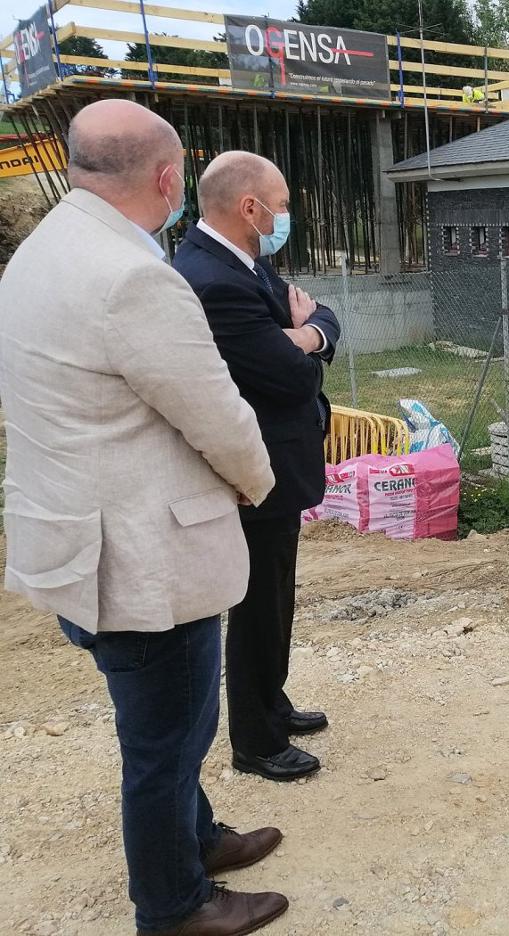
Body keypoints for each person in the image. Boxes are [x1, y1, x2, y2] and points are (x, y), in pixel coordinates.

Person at [0, 100, 287, 934]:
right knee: (166, 743)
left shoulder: (39, 254)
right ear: (168, 179)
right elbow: (219, 417)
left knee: (162, 727)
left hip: (74, 541)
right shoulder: (131, 277)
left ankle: (197, 841)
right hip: (142, 557)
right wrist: (256, 483)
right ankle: (174, 907)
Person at [173, 151, 340, 783]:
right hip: (255, 472)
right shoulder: (213, 281)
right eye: (285, 204)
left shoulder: (244, 264)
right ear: (251, 208)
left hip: (276, 466)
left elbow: (318, 318)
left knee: (274, 596)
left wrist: (309, 330)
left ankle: (272, 701)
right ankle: (257, 740)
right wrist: (304, 338)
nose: (286, 216)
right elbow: (290, 375)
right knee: (257, 606)